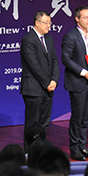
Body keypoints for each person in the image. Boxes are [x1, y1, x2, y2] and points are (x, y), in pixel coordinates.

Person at [62, 5, 88, 161]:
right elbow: (66, 59)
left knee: (86, 117)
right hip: (78, 82)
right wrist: (84, 72)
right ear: (77, 19)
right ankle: (74, 148)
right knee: (77, 117)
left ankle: (82, 146)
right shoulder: (70, 36)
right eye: (85, 17)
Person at [20, 10, 59, 144]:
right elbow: (34, 66)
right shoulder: (28, 39)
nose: (49, 25)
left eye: (50, 23)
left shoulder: (49, 39)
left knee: (44, 125)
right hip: (34, 90)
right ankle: (29, 153)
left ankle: (41, 151)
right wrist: (47, 83)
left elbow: (54, 60)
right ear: (37, 23)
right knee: (32, 125)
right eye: (46, 23)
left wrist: (54, 80)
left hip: (48, 89)